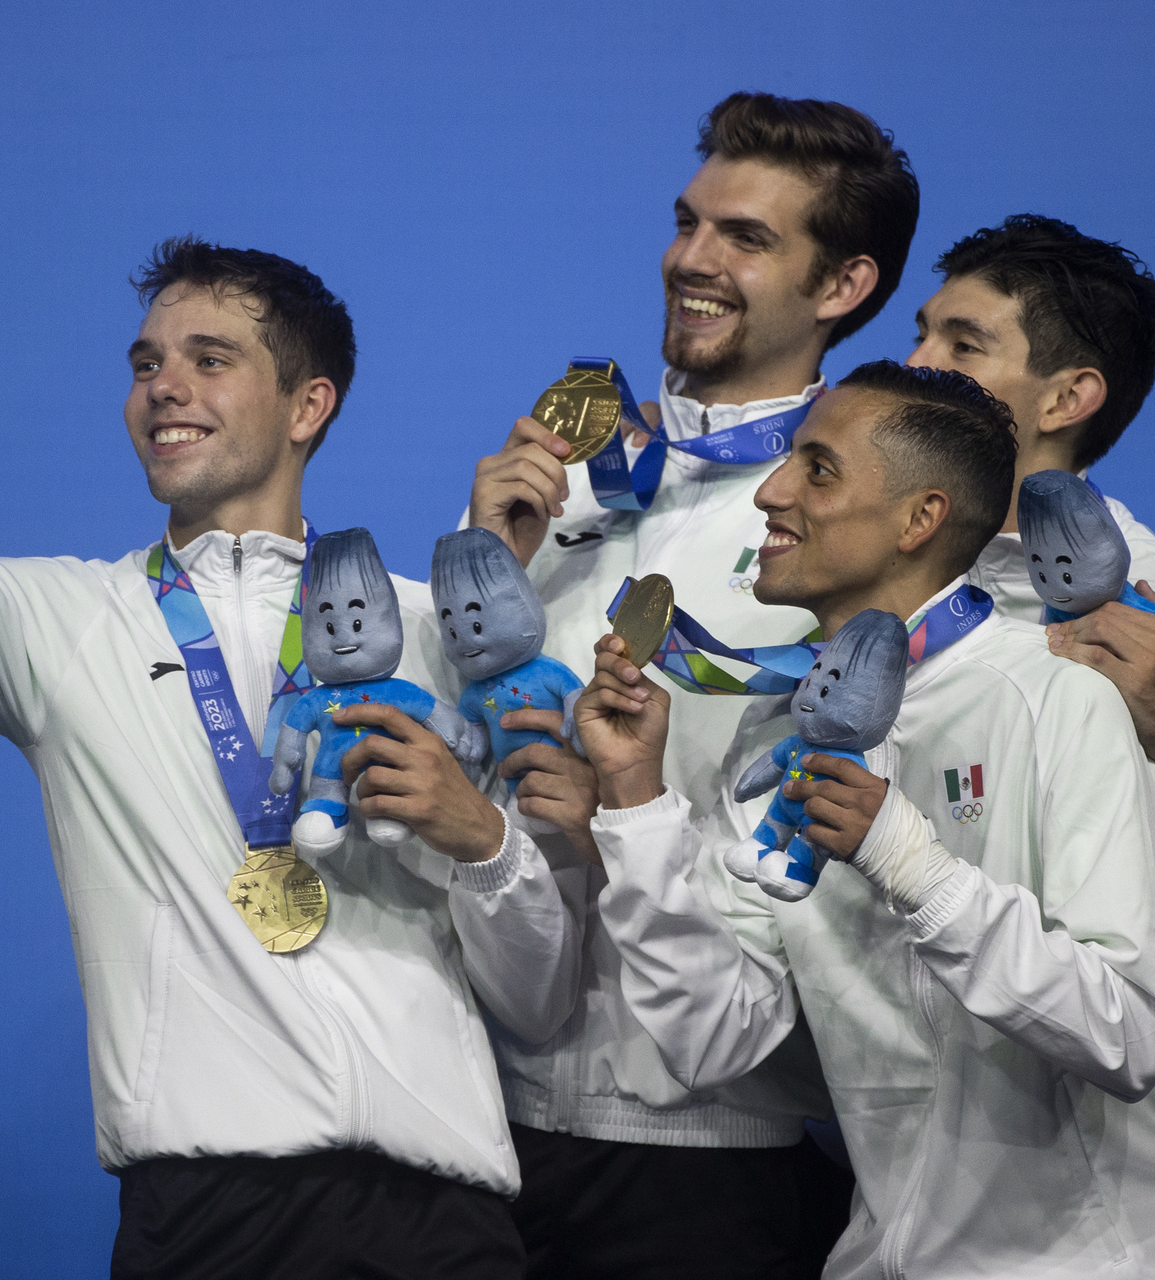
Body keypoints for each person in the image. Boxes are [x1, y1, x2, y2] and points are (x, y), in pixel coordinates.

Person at [0, 237, 577, 1280]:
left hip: (447, 1226)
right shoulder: (67, 621)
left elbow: (538, 1000)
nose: (164, 386)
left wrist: (483, 841)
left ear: (309, 405)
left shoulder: (435, 633)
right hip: (209, 1223)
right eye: (144, 362)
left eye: (210, 358)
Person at [577, 361, 1155, 1279]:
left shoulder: (1056, 697)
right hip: (887, 1254)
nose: (771, 492)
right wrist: (636, 803)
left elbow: (1127, 1035)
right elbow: (713, 1036)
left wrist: (907, 860)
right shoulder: (776, 731)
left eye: (818, 469)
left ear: (919, 519)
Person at [457, 92, 920, 1277]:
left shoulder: (857, 529)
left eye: (745, 238)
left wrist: (629, 805)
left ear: (844, 286)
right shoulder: (557, 487)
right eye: (688, 222)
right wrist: (479, 575)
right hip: (481, 1128)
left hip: (713, 1152)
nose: (691, 261)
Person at [906, 214, 1155, 1045]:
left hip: (1114, 1164)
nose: (917, 366)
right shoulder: (900, 590)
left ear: (1066, 398)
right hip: (898, 1166)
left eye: (963, 345)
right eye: (923, 335)